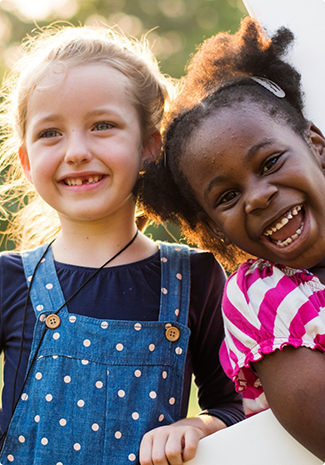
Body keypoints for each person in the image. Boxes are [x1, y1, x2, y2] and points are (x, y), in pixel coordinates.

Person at [0, 24, 244, 465]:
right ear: (27, 160)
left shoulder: (199, 277)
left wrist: (199, 425)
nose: (75, 150)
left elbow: (235, 406)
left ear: (150, 147)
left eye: (103, 125)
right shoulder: (10, 278)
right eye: (50, 133)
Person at [138, 16, 325, 462]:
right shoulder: (263, 296)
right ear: (213, 227)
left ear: (316, 144)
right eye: (227, 196)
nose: (258, 198)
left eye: (271, 161)